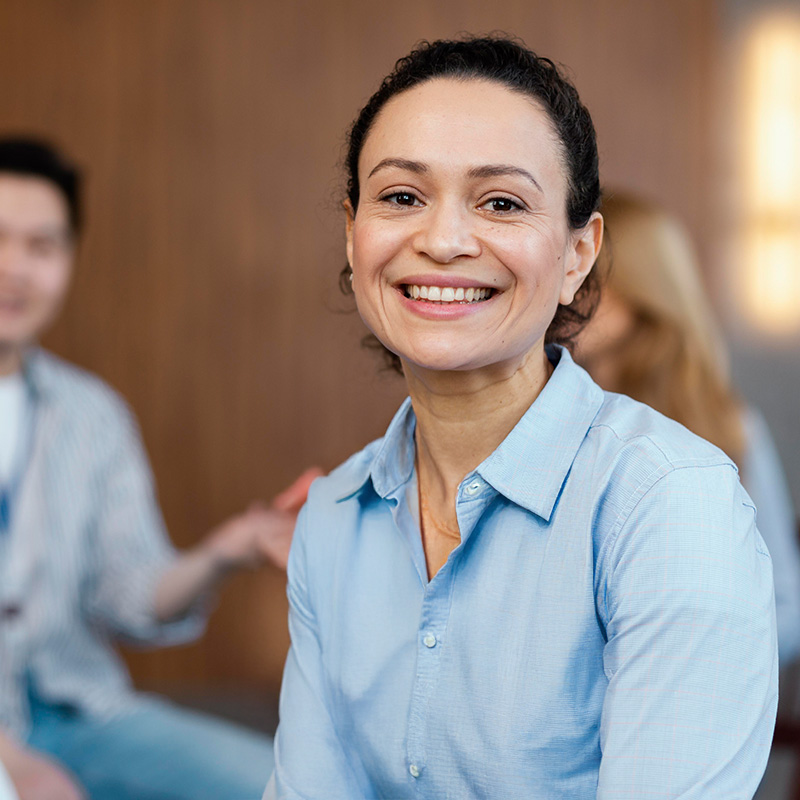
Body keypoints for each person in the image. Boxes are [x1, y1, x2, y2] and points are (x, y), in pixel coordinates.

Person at [265, 36, 777, 799]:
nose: (442, 241)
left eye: (501, 202)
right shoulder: (333, 518)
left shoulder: (667, 501)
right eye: (401, 197)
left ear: (578, 255)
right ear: (352, 232)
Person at [0, 137, 320, 800]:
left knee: (288, 786)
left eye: (42, 246)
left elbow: (131, 597)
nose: (15, 269)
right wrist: (16, 766)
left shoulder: (91, 415)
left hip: (83, 714)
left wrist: (224, 552)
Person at [576, 190, 800, 665]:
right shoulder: (544, 417)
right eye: (566, 269)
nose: (571, 292)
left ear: (644, 286)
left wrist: (692, 661)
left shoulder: (729, 426)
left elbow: (784, 603)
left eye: (592, 275)